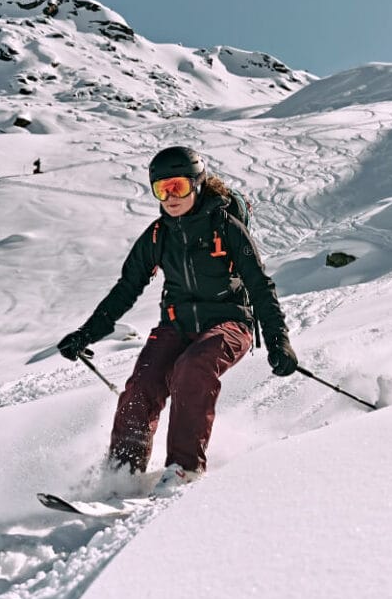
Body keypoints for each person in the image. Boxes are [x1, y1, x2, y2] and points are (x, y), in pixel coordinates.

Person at [57, 145, 298, 491]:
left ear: (197, 185)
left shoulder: (225, 228)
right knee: (143, 384)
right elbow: (126, 289)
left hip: (229, 322)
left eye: (179, 187)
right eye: (162, 189)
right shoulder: (159, 235)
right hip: (177, 324)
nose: (170, 197)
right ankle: (122, 473)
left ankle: (185, 468)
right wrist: (86, 334)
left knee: (193, 368)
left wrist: (279, 341)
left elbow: (260, 286)